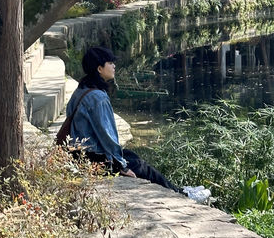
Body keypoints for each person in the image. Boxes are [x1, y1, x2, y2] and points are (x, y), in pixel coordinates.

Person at [64, 45, 210, 202]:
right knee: (140, 166)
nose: (114, 66)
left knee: (131, 156)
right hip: (92, 159)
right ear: (100, 68)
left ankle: (178, 190)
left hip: (79, 155)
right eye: (110, 63)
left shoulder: (82, 90)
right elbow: (107, 136)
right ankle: (184, 196)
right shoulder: (98, 98)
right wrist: (122, 167)